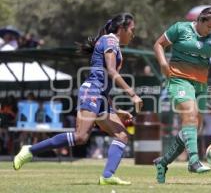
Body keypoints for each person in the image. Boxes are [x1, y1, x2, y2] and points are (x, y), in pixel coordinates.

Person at [13, 12, 143, 185]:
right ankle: (29, 150)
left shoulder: (113, 43)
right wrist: (132, 94)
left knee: (121, 135)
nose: (133, 34)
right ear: (122, 29)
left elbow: (105, 84)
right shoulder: (110, 40)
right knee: (81, 137)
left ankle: (107, 176)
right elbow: (111, 71)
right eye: (132, 30)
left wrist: (117, 111)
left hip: (100, 95)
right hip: (91, 92)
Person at [153, 6, 211, 183]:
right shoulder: (180, 28)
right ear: (200, 21)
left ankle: (163, 163)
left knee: (195, 127)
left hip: (200, 85)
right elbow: (158, 44)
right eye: (209, 26)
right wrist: (164, 64)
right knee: (190, 115)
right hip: (179, 80)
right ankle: (193, 160)